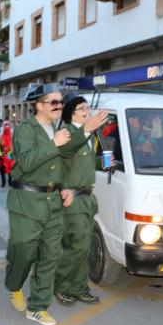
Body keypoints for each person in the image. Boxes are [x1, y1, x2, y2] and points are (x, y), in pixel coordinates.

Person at [5, 83, 94, 325]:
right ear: (39, 105)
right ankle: (13, 285)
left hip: (53, 202)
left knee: (49, 256)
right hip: (27, 201)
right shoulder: (26, 129)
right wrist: (52, 143)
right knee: (23, 251)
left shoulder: (58, 128)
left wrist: (64, 186)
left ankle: (38, 307)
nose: (59, 106)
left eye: (60, 102)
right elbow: (25, 162)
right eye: (53, 102)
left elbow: (58, 166)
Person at [54, 93, 107, 307]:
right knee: (75, 247)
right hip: (72, 199)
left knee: (83, 248)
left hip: (86, 198)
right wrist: (86, 130)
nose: (88, 112)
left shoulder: (87, 136)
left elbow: (87, 163)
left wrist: (105, 162)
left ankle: (78, 288)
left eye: (88, 108)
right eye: (82, 109)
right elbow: (66, 150)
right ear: (71, 113)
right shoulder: (67, 133)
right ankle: (62, 286)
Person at [0, 121, 14, 187]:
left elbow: (14, 145)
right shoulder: (1, 136)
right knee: (2, 169)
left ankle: (10, 181)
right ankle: (3, 182)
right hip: (2, 155)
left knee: (10, 169)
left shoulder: (12, 136)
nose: (7, 128)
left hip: (9, 155)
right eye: (5, 126)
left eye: (8, 126)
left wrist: (12, 152)